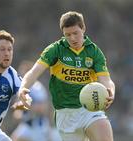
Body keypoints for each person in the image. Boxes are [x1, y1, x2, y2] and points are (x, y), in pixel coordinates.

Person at [18, 11, 115, 141]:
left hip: (90, 110)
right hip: (65, 115)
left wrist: (110, 91)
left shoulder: (94, 52)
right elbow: (33, 72)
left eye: (75, 33)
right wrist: (23, 88)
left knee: (104, 131)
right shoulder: (55, 50)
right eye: (67, 35)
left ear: (83, 28)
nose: (72, 38)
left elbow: (106, 80)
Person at [11, 60, 62, 141]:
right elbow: (18, 110)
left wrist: (29, 108)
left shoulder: (37, 88)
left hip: (38, 125)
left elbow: (43, 108)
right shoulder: (21, 88)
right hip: (27, 124)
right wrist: (19, 113)